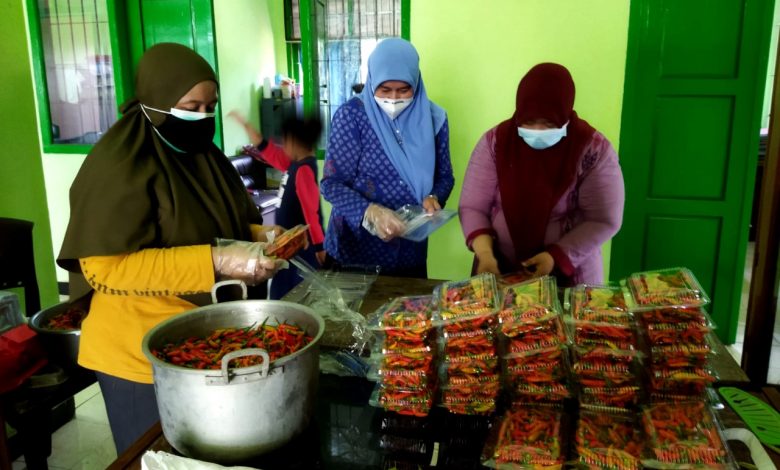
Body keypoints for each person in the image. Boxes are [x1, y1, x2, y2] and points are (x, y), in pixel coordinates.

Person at [57, 43, 285, 454]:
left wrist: (263, 238)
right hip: (138, 357)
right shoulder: (119, 164)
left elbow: (221, 222)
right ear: (156, 102)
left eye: (210, 105)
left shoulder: (202, 156)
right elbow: (106, 269)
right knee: (155, 458)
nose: (202, 117)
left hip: (203, 339)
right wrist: (215, 261)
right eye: (190, 105)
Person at [459, 63, 624, 286]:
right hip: (501, 270)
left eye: (548, 123)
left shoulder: (592, 148)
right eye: (528, 122)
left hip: (570, 272)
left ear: (565, 115)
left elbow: (603, 219)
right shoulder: (497, 142)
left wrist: (555, 257)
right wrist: (485, 255)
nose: (537, 131)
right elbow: (473, 206)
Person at [320, 38, 454, 277]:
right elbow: (331, 184)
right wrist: (370, 211)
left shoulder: (434, 119)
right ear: (372, 82)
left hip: (409, 252)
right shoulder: (352, 117)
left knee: (407, 313)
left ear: (417, 82)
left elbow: (445, 176)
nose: (393, 98)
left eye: (404, 90)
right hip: (355, 252)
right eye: (384, 89)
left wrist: (435, 197)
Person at [230, 111, 325, 299]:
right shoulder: (294, 165)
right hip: (288, 246)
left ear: (293, 141)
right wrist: (245, 124)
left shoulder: (304, 169)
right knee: (281, 290)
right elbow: (268, 151)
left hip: (303, 248)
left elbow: (312, 213)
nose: (282, 146)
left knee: (299, 293)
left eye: (284, 141)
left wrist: (320, 248)